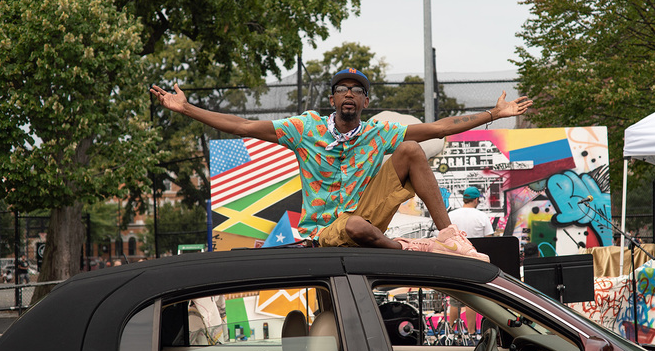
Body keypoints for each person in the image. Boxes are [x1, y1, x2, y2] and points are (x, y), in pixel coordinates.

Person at [150, 68, 531, 254]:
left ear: (365, 102)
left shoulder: (376, 133)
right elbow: (243, 125)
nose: (349, 94)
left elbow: (438, 127)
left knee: (412, 150)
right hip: (324, 233)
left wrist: (492, 116)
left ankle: (449, 237)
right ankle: (402, 248)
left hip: (365, 217)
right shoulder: (306, 129)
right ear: (332, 99)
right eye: (341, 89)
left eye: (357, 91)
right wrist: (186, 109)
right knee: (355, 225)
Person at [446, 187, 494, 334]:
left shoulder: (451, 215)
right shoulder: (482, 216)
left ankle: (453, 333)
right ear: (476, 199)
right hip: (474, 261)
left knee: (454, 299)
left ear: (464, 199)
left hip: (454, 261)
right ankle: (472, 333)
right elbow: (490, 241)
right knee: (471, 300)